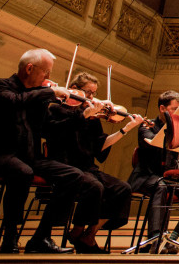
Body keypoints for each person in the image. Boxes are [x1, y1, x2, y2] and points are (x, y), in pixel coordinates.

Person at [0, 48, 83, 254]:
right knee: (23, 172)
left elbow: (51, 129)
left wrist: (81, 116)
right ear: (29, 68)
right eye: (46, 72)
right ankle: (10, 238)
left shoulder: (38, 97)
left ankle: (41, 237)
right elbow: (15, 101)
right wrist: (49, 92)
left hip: (28, 157)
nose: (48, 78)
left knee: (74, 175)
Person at [44, 72, 141, 252]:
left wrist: (126, 129)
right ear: (74, 90)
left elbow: (100, 146)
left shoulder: (93, 117)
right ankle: (77, 232)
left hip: (88, 167)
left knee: (122, 188)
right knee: (95, 186)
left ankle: (89, 234)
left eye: (94, 94)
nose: (92, 98)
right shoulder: (57, 110)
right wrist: (85, 114)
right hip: (65, 165)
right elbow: (58, 136)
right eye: (88, 93)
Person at [126, 90, 179, 253]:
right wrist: (171, 131)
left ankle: (174, 237)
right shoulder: (147, 126)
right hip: (147, 177)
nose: (177, 114)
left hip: (171, 180)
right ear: (163, 108)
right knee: (160, 186)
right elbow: (153, 144)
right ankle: (156, 238)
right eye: (174, 109)